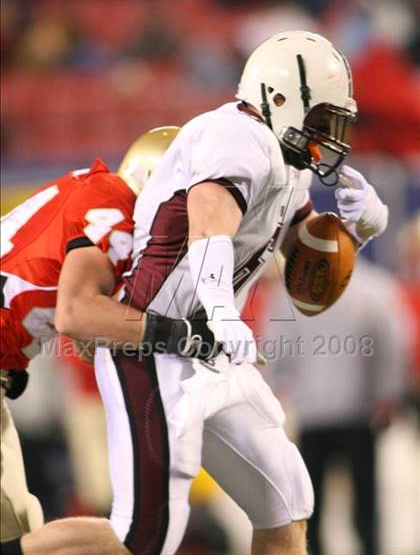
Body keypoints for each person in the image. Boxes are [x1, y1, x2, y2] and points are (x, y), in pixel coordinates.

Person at [91, 31, 388, 555]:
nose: (328, 135)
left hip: (210, 352)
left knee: (288, 503)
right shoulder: (236, 134)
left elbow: (307, 281)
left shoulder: (286, 162)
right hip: (152, 348)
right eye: (321, 119)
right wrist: (223, 310)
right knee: (144, 535)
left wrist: (357, 232)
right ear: (279, 98)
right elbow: (210, 222)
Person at [0, 126, 182, 554]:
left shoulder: (90, 184)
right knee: (16, 529)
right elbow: (76, 315)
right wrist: (175, 334)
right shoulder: (119, 212)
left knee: (19, 521)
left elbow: (81, 328)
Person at [262, 256, 410, 555]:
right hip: (357, 414)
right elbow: (392, 345)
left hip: (321, 413)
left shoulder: (294, 292)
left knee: (312, 503)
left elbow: (274, 348)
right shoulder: (375, 286)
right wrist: (387, 394)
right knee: (362, 502)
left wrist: (270, 398)